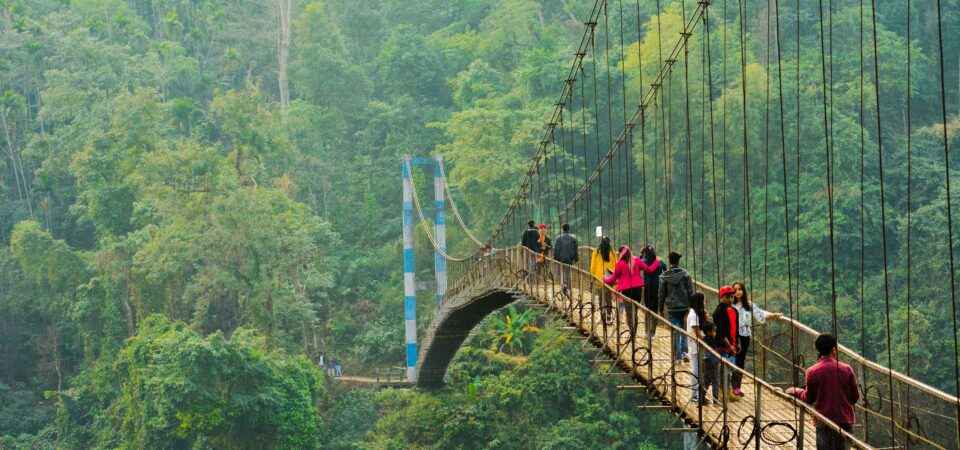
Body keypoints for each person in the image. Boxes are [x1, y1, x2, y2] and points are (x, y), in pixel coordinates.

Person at [785, 333, 860, 450]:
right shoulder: (846, 369)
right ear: (834, 349)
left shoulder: (812, 371)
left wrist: (797, 391)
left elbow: (809, 398)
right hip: (844, 420)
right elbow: (855, 396)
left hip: (823, 420)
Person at [730, 281, 783, 397]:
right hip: (731, 335)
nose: (737, 292)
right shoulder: (730, 305)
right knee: (729, 359)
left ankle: (736, 387)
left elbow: (761, 317)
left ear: (743, 291)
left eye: (740, 289)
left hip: (744, 336)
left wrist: (774, 315)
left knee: (740, 360)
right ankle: (728, 386)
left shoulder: (749, 305)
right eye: (735, 290)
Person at [603, 246, 661, 337]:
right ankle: (635, 329)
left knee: (629, 311)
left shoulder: (619, 264)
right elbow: (649, 269)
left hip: (627, 290)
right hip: (638, 289)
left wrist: (604, 279)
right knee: (635, 311)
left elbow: (612, 278)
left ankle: (632, 331)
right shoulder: (637, 260)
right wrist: (657, 261)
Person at [658, 251, 694, 363]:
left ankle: (677, 357)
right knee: (683, 329)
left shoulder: (664, 276)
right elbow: (690, 291)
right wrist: (691, 306)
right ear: (678, 261)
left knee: (675, 331)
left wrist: (660, 308)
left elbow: (661, 294)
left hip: (672, 307)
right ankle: (684, 352)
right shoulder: (685, 274)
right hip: (684, 306)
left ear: (669, 261)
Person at [712, 285, 742, 402]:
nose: (730, 299)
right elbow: (721, 331)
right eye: (727, 297)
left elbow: (737, 328)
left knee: (729, 370)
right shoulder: (718, 312)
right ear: (721, 298)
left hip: (732, 345)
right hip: (721, 346)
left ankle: (728, 391)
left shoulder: (734, 310)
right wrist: (729, 346)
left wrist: (738, 343)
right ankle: (721, 393)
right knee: (723, 370)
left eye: (732, 297)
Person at [687, 292, 712, 405]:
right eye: (704, 300)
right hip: (696, 346)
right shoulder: (693, 315)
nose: (705, 302)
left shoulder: (696, 313)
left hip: (698, 346)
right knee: (696, 370)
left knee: (698, 371)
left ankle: (698, 395)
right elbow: (698, 334)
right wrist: (708, 343)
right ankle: (694, 396)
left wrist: (706, 318)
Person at [590, 237, 617, 324]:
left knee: (601, 298)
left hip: (599, 279)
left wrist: (593, 276)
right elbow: (615, 266)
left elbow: (592, 267)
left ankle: (602, 317)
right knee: (608, 299)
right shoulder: (612, 253)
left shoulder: (596, 252)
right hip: (609, 278)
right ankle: (609, 318)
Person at [641, 245, 666, 337]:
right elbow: (665, 269)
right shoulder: (660, 262)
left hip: (647, 287)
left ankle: (646, 331)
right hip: (657, 287)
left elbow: (639, 262)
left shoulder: (643, 261)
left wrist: (641, 254)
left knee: (647, 309)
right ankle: (653, 333)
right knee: (654, 309)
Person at [699, 322, 721, 404]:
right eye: (714, 331)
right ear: (708, 332)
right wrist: (716, 362)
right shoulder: (710, 341)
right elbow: (710, 352)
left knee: (706, 380)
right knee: (715, 380)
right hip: (711, 362)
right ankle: (716, 399)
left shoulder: (704, 339)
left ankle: (701, 398)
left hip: (705, 361)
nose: (715, 333)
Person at [553, 223, 579, 289]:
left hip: (560, 258)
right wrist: (576, 259)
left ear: (563, 229)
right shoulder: (573, 238)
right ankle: (568, 287)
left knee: (560, 272)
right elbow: (576, 250)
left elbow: (555, 249)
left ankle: (563, 285)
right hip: (569, 259)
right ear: (569, 229)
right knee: (568, 272)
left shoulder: (558, 237)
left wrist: (555, 258)